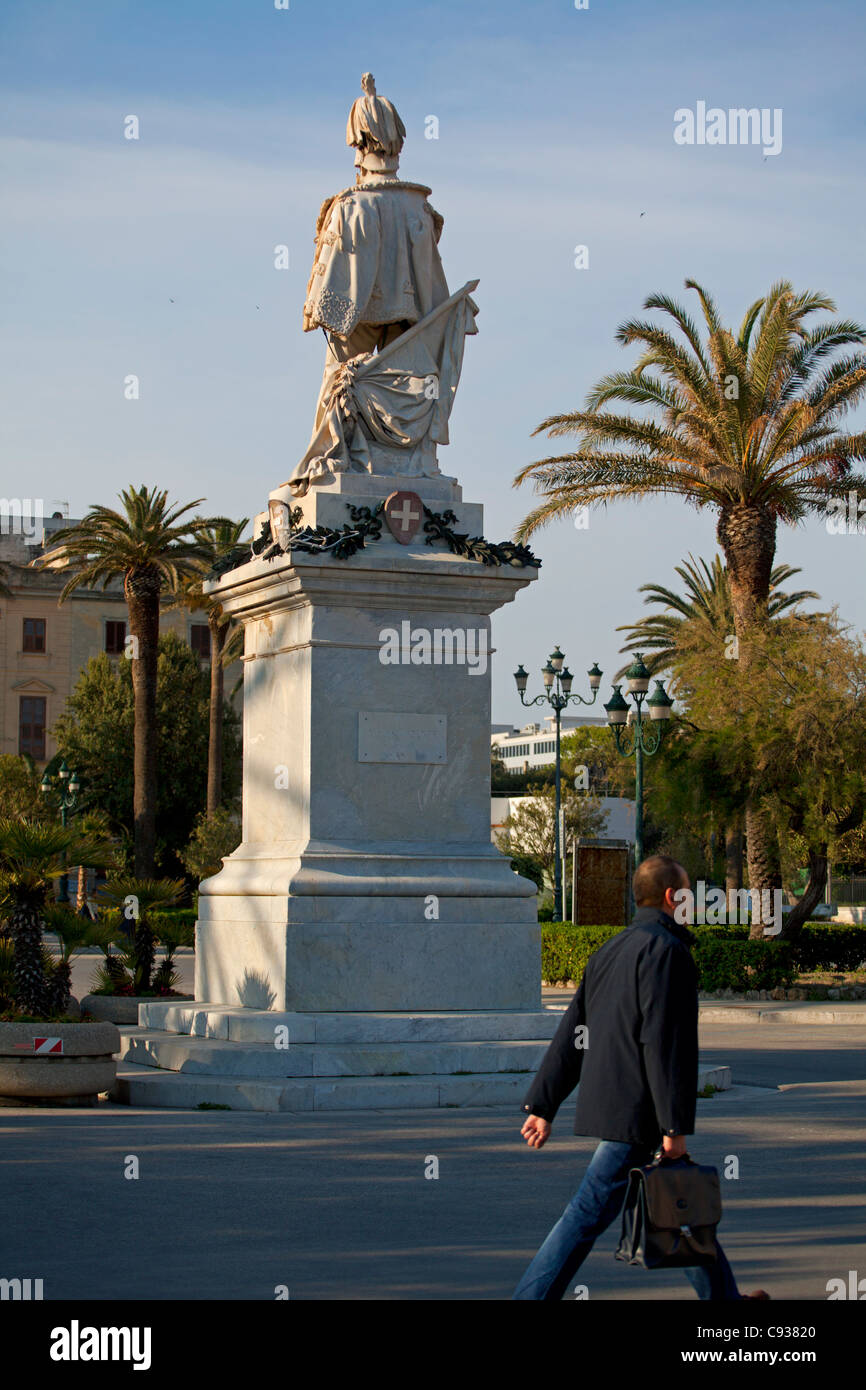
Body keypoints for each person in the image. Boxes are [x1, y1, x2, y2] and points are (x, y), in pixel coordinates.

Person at [512, 854, 769, 1301]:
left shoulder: (609, 951)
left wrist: (542, 1104)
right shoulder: (668, 953)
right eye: (686, 893)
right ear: (672, 896)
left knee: (676, 1207)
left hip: (619, 1106)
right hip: (639, 1113)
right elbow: (664, 1046)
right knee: (586, 1216)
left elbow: (575, 1033)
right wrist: (673, 1129)